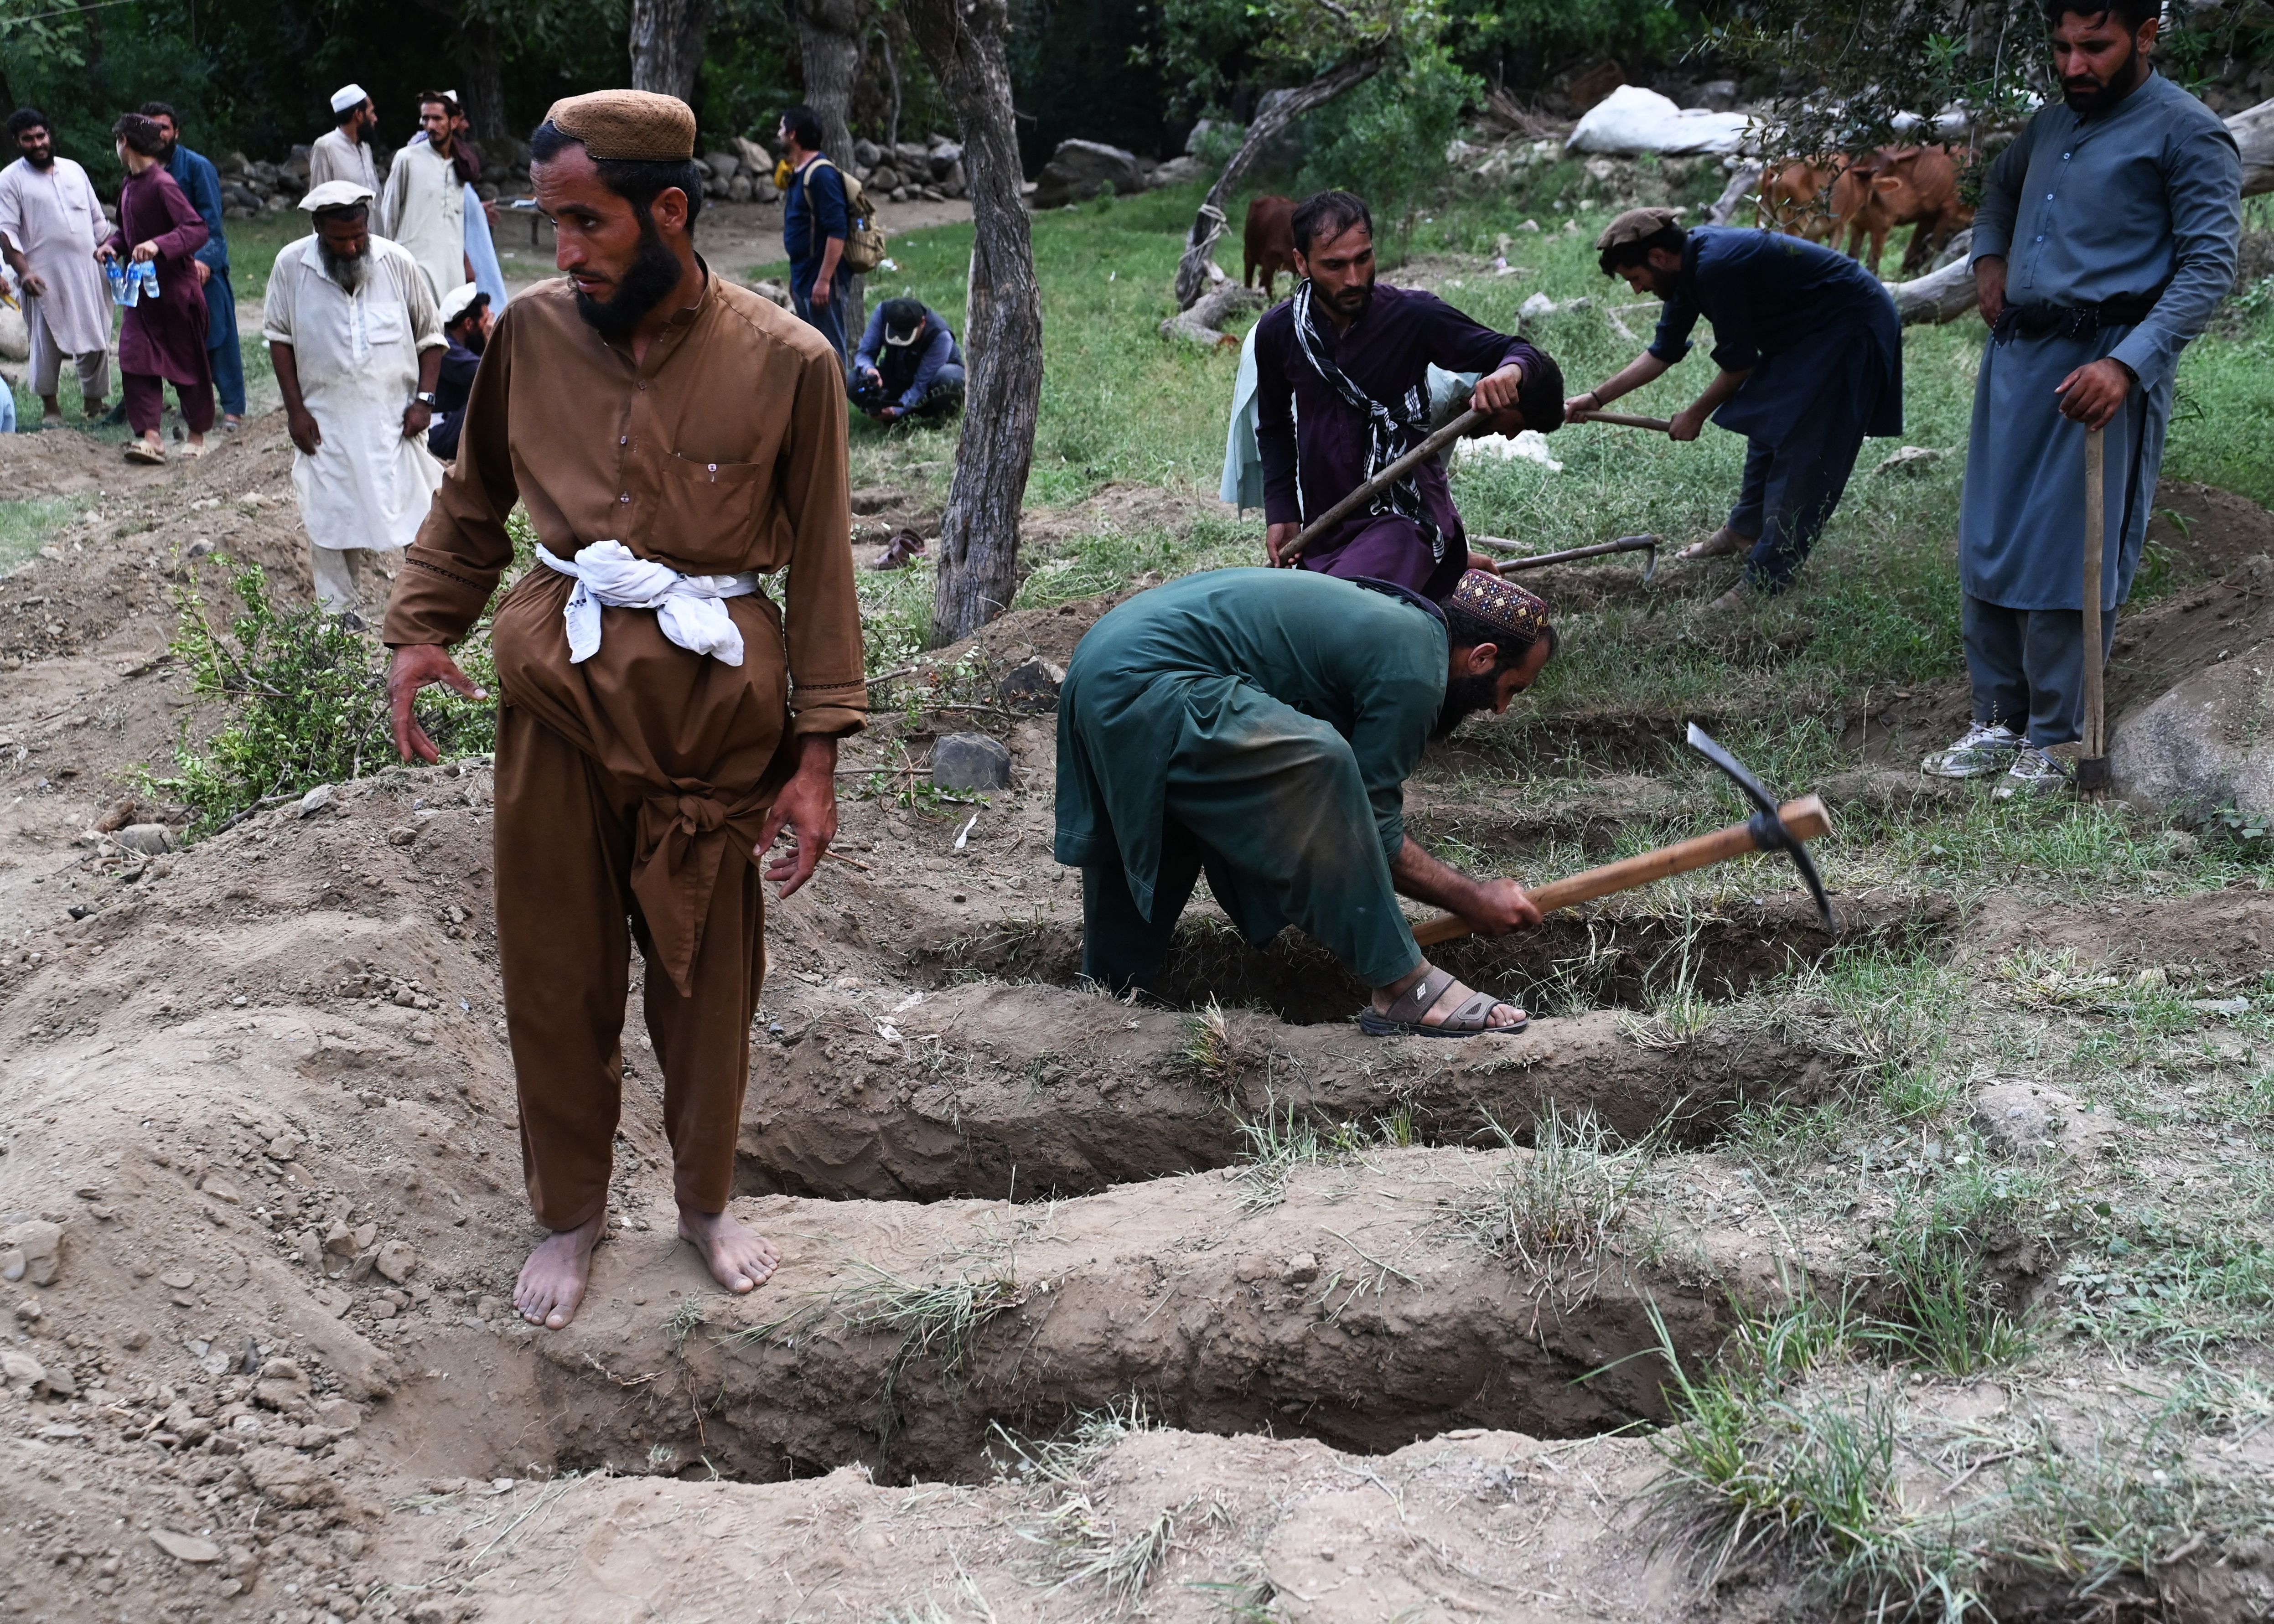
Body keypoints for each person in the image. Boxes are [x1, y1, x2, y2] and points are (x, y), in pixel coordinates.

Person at [380, 90, 865, 1332]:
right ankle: (572, 1212)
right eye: (550, 227)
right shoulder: (533, 339)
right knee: (556, 970)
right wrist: (421, 630)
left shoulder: (789, 362)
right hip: (556, 702)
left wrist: (812, 761)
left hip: (712, 724)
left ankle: (703, 1202)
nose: (566, 255)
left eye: (586, 225)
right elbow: (474, 498)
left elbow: (819, 568)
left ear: (668, 211)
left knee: (708, 976)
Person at [1922, 0, 2242, 797]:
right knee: (1990, 538)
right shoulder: (2049, 123)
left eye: (2093, 48)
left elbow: (2209, 267)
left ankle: (2058, 741)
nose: (2073, 67)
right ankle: (1997, 721)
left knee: (2072, 552)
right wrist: (1988, 256)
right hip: (2015, 364)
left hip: (2102, 371)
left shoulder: (2188, 131)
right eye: (2061, 48)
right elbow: (1999, 186)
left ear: (2145, 36)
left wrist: (2128, 365)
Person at [1057, 566, 1555, 1034]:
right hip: (1148, 677)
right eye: (1511, 688)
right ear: (1483, 656)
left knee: (1169, 807)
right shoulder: (1415, 669)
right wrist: (1473, 897)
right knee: (1320, 762)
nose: (1500, 708)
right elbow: (1369, 825)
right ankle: (1406, 986)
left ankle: (1104, 997)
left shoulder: (1398, 625)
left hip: (1104, 664)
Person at [1567, 208, 1903, 610]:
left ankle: (1765, 582)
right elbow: (1663, 352)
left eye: (1635, 278)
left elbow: (1740, 365)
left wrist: (1695, 413)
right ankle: (1744, 530)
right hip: (1803, 334)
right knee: (1768, 426)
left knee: (1805, 453)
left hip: (1849, 326)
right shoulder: (1686, 270)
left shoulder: (1716, 267)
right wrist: (1595, 398)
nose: (1637, 289)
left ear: (1657, 257)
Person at [1253, 190, 1563, 601]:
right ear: (1300, 263)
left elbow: (1519, 351)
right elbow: (1274, 427)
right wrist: (1282, 512)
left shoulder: (1415, 316)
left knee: (1339, 607)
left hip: (1405, 515)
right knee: (1309, 607)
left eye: (1363, 258)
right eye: (1334, 265)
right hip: (1326, 522)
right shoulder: (1278, 332)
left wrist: (1511, 371)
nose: (1353, 278)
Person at [262, 181, 445, 624]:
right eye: (339, 239)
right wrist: (296, 411)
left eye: (358, 237)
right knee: (329, 516)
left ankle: (428, 605)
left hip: (395, 420)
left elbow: (432, 337)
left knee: (419, 513)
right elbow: (280, 339)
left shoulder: (396, 262)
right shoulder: (292, 266)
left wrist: (424, 402)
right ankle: (339, 614)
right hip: (326, 422)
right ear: (317, 230)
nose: (350, 247)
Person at [100, 114, 212, 466]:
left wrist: (160, 245)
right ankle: (151, 438)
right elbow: (128, 231)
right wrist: (112, 246)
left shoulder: (163, 184)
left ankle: (196, 435)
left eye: (117, 141)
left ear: (126, 143)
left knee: (186, 362)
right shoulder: (129, 185)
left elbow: (196, 229)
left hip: (176, 294)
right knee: (135, 360)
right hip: (141, 296)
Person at [0, 109, 110, 425]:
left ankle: (94, 401)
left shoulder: (74, 170)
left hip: (89, 268)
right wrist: (24, 273)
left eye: (41, 136)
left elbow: (97, 220)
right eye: (28, 139)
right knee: (45, 342)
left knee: (97, 333)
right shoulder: (9, 180)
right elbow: (6, 234)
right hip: (41, 275)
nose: (37, 144)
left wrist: (109, 248)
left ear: (50, 134)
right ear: (17, 142)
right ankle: (51, 408)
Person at [142, 102, 245, 434]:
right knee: (176, 343)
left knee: (218, 337)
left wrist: (203, 263)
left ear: (176, 132)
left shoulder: (197, 167)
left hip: (203, 267)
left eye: (165, 127)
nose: (159, 134)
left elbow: (211, 226)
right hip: (163, 272)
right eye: (152, 128)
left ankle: (232, 409)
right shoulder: (142, 171)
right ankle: (194, 408)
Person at [378, 91, 468, 300]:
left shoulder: (461, 166)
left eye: (437, 119)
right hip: (414, 269)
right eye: (426, 119)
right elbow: (388, 216)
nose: (430, 126)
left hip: (452, 274)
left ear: (454, 122)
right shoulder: (407, 159)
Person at [777, 103, 849, 364]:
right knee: (812, 355)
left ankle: (838, 405)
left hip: (821, 284)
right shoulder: (798, 173)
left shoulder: (822, 175)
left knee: (832, 355)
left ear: (793, 134)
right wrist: (796, 280)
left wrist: (825, 281)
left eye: (782, 127)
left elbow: (838, 230)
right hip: (804, 279)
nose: (779, 133)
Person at [850, 297, 963, 421]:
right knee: (853, 382)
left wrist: (897, 410)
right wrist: (869, 370)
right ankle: (886, 413)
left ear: (923, 323)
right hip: (898, 379)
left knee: (950, 378)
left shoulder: (940, 336)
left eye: (906, 337)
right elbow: (864, 354)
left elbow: (921, 384)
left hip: (930, 388)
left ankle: (940, 417)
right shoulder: (883, 313)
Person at [428, 282, 490, 460]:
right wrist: (493, 337)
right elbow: (491, 372)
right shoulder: (445, 347)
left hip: (450, 423)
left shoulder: (466, 345)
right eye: (486, 321)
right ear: (469, 323)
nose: (489, 325)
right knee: (491, 396)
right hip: (437, 429)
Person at [310, 85, 381, 195]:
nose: (375, 119)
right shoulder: (325, 147)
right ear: (358, 115)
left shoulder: (364, 147)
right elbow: (319, 200)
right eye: (371, 112)